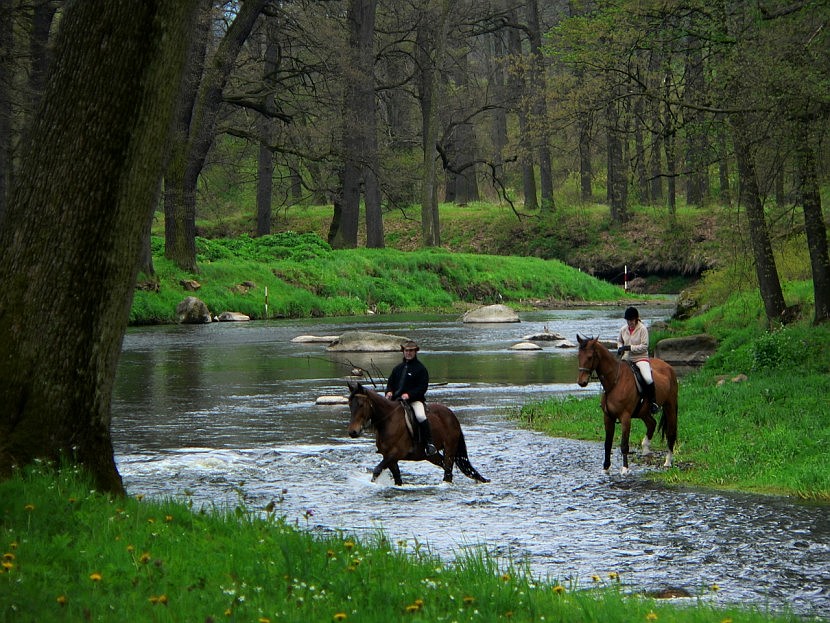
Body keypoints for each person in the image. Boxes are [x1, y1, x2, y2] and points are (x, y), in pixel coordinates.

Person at [385, 340, 437, 455]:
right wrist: (389, 392)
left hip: (414, 401)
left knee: (420, 416)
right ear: (403, 352)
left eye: (411, 351)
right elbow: (390, 383)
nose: (408, 353)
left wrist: (409, 395)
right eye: (406, 351)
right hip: (397, 401)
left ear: (415, 352)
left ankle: (429, 443)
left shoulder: (420, 369)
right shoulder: (397, 368)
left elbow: (422, 387)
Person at [617, 306, 660, 414]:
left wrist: (630, 348)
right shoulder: (623, 329)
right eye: (628, 320)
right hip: (626, 358)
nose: (629, 323)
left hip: (640, 358)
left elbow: (645, 346)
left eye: (631, 320)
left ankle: (653, 402)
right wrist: (620, 348)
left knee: (647, 378)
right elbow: (619, 341)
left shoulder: (642, 329)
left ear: (636, 319)